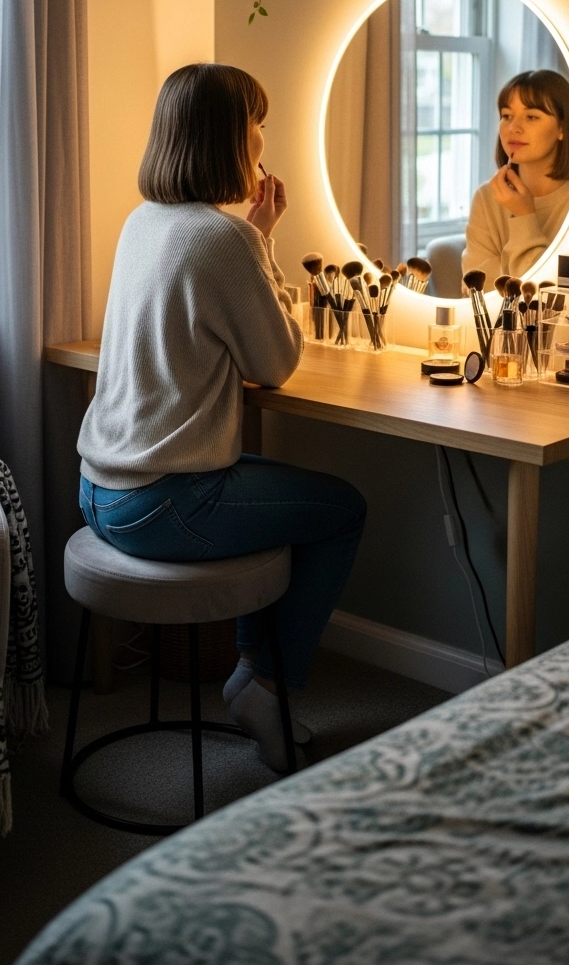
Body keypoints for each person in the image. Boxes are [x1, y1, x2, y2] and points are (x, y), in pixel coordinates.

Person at [77, 63, 366, 771]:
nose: (264, 135)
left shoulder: (143, 222)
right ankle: (262, 681)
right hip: (164, 502)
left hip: (99, 490)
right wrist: (260, 240)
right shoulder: (222, 239)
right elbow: (276, 363)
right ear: (229, 136)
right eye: (256, 120)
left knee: (270, 490)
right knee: (342, 508)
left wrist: (251, 238)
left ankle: (249, 672)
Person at [462, 69, 569, 290]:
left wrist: (524, 215)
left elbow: (545, 297)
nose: (513, 128)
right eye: (507, 115)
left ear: (562, 128)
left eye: (532, 116)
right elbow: (481, 292)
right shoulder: (486, 198)